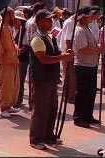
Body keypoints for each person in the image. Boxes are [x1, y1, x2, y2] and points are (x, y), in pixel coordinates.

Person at [29, 10, 73, 150]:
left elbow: (56, 53)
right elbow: (43, 58)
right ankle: (36, 139)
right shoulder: (37, 38)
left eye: (51, 20)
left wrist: (65, 54)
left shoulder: (51, 37)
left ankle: (48, 135)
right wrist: (63, 57)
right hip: (41, 79)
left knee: (52, 109)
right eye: (47, 20)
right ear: (39, 22)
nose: (50, 22)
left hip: (51, 79)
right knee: (41, 110)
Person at [72, 6, 105, 128]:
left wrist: (99, 48)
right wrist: (98, 50)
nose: (91, 17)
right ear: (83, 17)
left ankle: (88, 115)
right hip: (83, 65)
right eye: (89, 15)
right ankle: (79, 117)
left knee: (91, 92)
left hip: (91, 64)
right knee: (82, 92)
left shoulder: (88, 28)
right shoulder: (79, 30)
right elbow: (83, 48)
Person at [0, 7, 20, 118]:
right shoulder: (0, 27)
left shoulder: (6, 27)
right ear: (7, 15)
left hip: (11, 61)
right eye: (12, 15)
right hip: (5, 62)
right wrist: (1, 51)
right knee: (5, 87)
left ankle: (8, 106)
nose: (14, 17)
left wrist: (14, 48)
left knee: (11, 86)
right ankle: (3, 108)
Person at [58, 11, 76, 103]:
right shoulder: (70, 22)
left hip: (73, 52)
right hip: (68, 52)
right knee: (69, 75)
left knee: (72, 75)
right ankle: (68, 96)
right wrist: (70, 52)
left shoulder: (73, 22)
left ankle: (71, 94)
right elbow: (68, 39)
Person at [13, 9, 29, 109]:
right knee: (14, 80)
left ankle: (18, 100)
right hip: (13, 58)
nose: (14, 21)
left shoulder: (24, 31)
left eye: (16, 20)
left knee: (20, 80)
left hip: (22, 59)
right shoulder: (12, 30)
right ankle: (14, 98)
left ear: (21, 21)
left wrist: (18, 53)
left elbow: (25, 46)